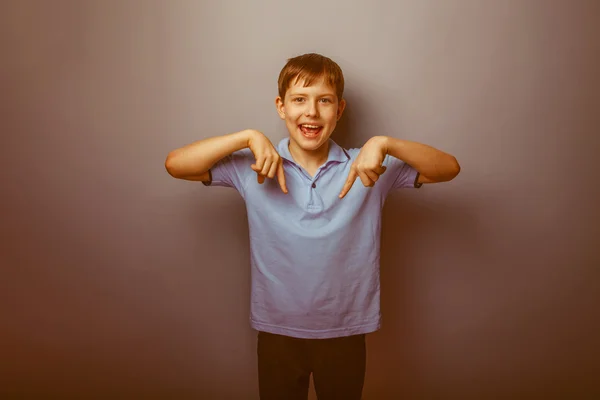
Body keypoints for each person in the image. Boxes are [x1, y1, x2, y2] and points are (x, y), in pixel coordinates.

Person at [165, 53, 460, 400]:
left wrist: (384, 143)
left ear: (339, 109)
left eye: (324, 101)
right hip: (277, 331)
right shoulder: (254, 166)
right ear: (281, 106)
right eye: (299, 100)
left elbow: (449, 168)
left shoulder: (369, 165)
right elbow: (176, 165)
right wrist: (246, 137)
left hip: (345, 331)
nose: (311, 112)